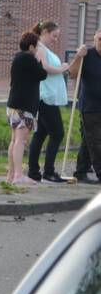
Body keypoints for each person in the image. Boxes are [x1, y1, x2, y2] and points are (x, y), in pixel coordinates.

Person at [27, 21, 72, 182]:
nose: (55, 39)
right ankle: (48, 171)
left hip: (49, 97)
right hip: (46, 97)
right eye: (54, 36)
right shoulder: (39, 48)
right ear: (45, 32)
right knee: (57, 133)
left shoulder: (44, 48)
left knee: (41, 134)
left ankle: (34, 171)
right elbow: (44, 67)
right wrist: (62, 68)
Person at [7, 31, 47, 185]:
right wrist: (40, 59)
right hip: (24, 107)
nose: (37, 50)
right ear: (31, 47)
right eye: (36, 47)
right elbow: (42, 74)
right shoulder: (29, 59)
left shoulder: (18, 58)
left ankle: (11, 175)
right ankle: (18, 175)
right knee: (21, 141)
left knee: (14, 140)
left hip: (13, 105)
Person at [69, 28, 101, 182]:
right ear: (94, 39)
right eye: (100, 39)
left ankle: (81, 171)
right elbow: (72, 74)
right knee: (95, 141)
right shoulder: (87, 55)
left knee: (88, 140)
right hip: (90, 107)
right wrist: (78, 56)